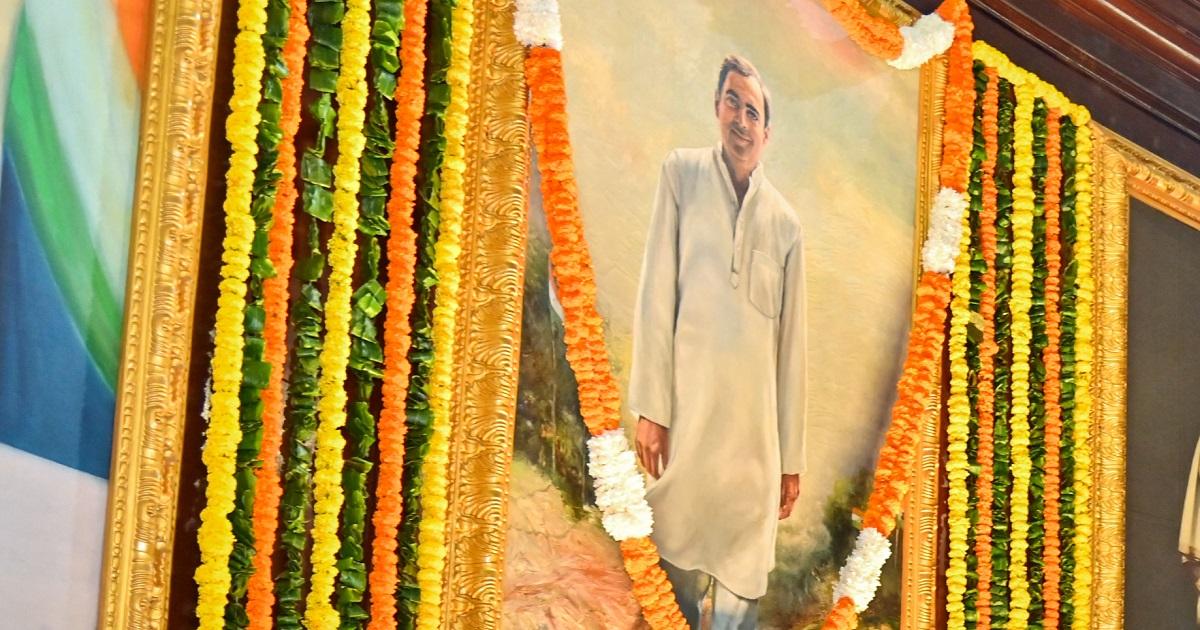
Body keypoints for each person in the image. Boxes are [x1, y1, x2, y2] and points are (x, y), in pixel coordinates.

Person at [628, 54, 807, 630]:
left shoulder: (785, 224)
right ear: (716, 107)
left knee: (738, 602)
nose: (741, 120)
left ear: (767, 132)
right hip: (689, 425)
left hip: (755, 453)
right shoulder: (681, 174)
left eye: (753, 112)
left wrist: (790, 463)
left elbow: (791, 354)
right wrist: (652, 409)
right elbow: (656, 293)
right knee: (667, 592)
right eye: (733, 102)